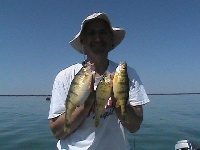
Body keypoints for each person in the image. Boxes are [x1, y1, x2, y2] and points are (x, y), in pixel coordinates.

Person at [48, 12, 150, 150]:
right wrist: (87, 104)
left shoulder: (126, 74)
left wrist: (117, 101)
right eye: (91, 33)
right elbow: (57, 132)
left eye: (103, 32)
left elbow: (135, 126)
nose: (97, 38)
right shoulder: (65, 76)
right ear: (83, 40)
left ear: (111, 39)